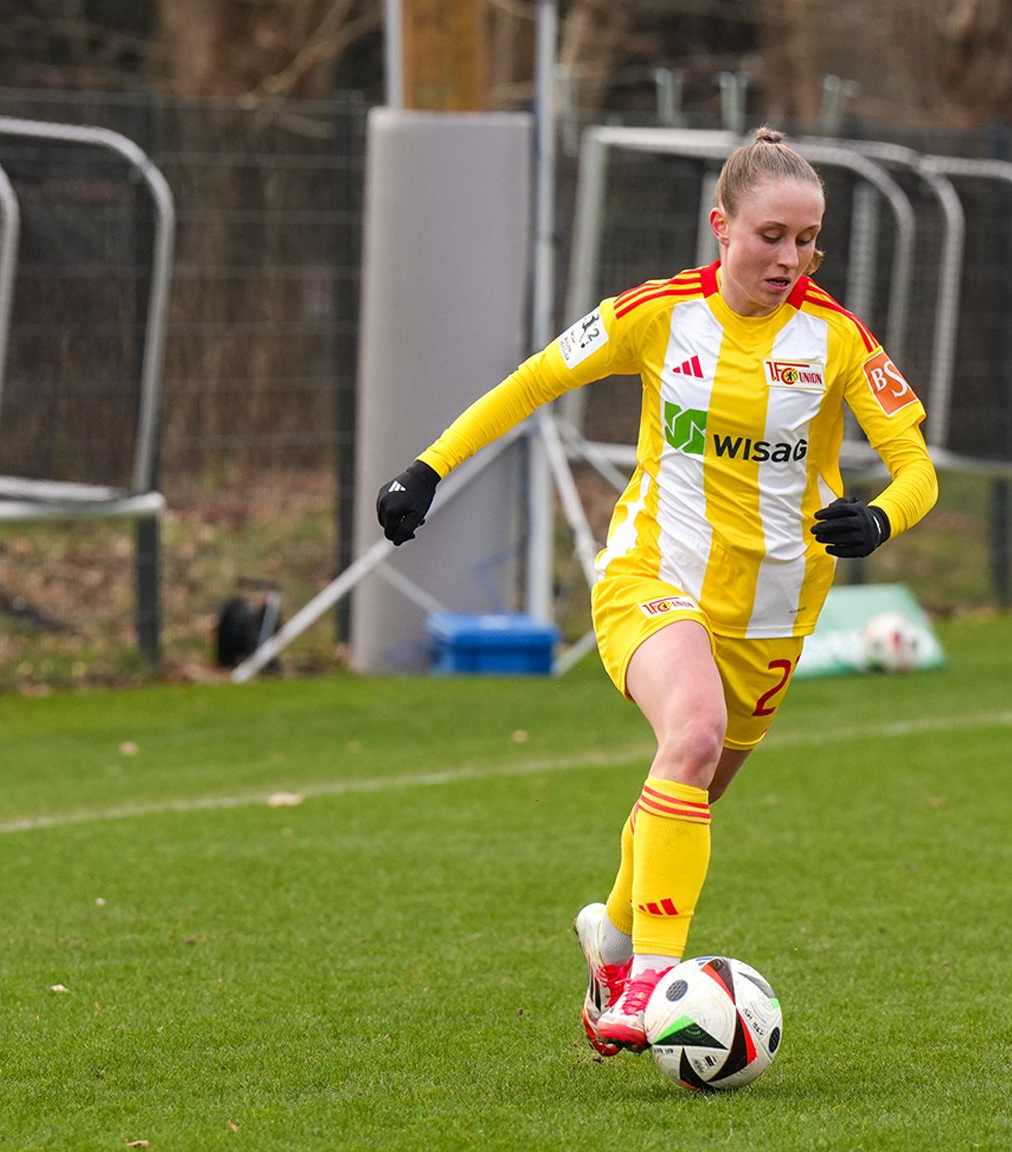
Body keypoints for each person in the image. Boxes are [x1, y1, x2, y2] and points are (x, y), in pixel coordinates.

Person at [372, 127, 939, 1056]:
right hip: (653, 575)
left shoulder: (836, 340)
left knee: (694, 786)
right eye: (771, 236)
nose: (790, 259)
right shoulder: (657, 314)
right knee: (694, 735)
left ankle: (619, 942)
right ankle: (646, 987)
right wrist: (430, 468)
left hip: (774, 612)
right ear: (723, 226)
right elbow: (532, 383)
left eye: (807, 240)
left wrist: (882, 518)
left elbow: (918, 465)